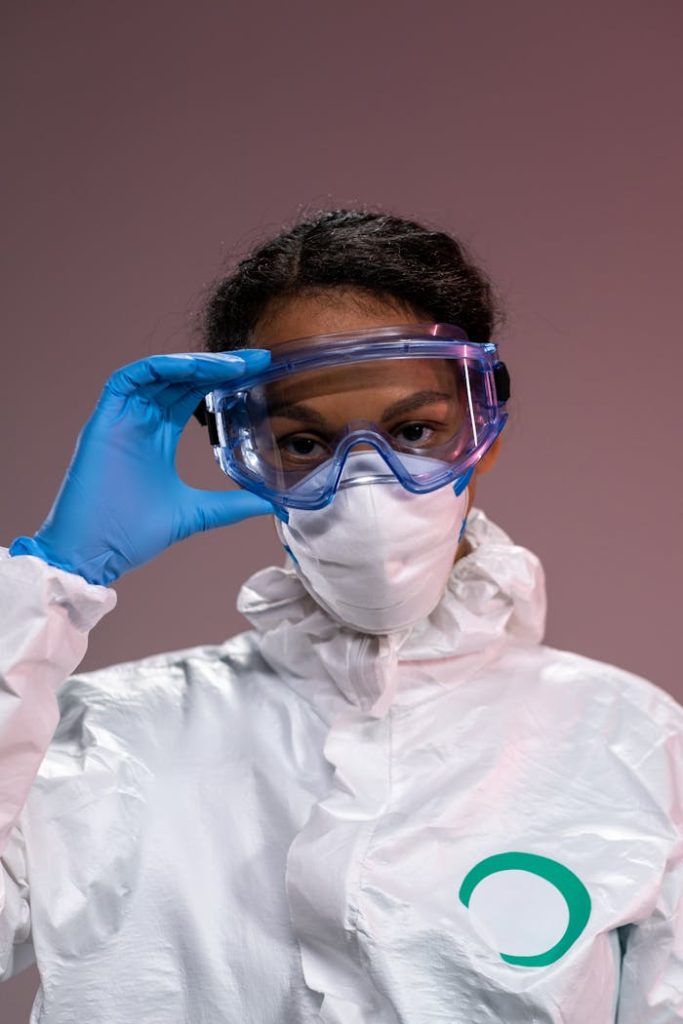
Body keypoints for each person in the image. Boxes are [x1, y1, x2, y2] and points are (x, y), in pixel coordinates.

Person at [0, 209, 680, 1024]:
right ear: (240, 453)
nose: (366, 481)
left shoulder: (628, 742)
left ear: (483, 428)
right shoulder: (101, 738)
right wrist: (54, 582)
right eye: (303, 443)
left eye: (414, 430)